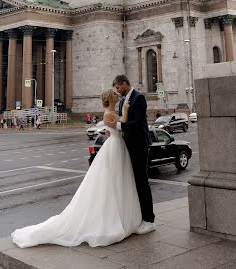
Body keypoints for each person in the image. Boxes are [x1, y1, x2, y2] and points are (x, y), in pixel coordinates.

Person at [11, 89, 141, 248]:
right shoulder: (108, 113)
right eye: (114, 94)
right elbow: (122, 126)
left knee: (119, 179)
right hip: (114, 147)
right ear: (110, 98)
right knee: (111, 180)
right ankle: (111, 218)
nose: (117, 95)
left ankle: (120, 215)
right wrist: (126, 111)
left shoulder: (112, 111)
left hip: (117, 146)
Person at [106, 74, 155, 235]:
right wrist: (113, 128)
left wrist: (118, 126)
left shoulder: (138, 97)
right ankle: (139, 216)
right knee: (133, 182)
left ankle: (149, 220)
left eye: (118, 87)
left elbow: (138, 122)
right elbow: (122, 120)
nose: (117, 91)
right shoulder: (123, 101)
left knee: (142, 182)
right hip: (128, 146)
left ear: (125, 84)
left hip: (139, 145)